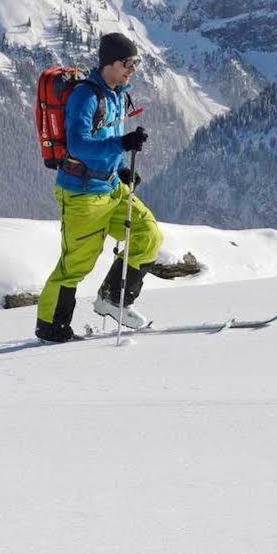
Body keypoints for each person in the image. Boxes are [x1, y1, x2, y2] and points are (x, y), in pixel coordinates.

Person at [34, 31, 164, 342]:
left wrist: (121, 171)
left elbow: (108, 138)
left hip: (110, 187)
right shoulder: (86, 96)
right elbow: (79, 145)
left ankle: (112, 299)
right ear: (112, 63)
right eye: (129, 63)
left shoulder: (118, 95)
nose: (133, 69)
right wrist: (121, 142)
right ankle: (52, 327)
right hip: (82, 192)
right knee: (76, 263)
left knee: (148, 235)